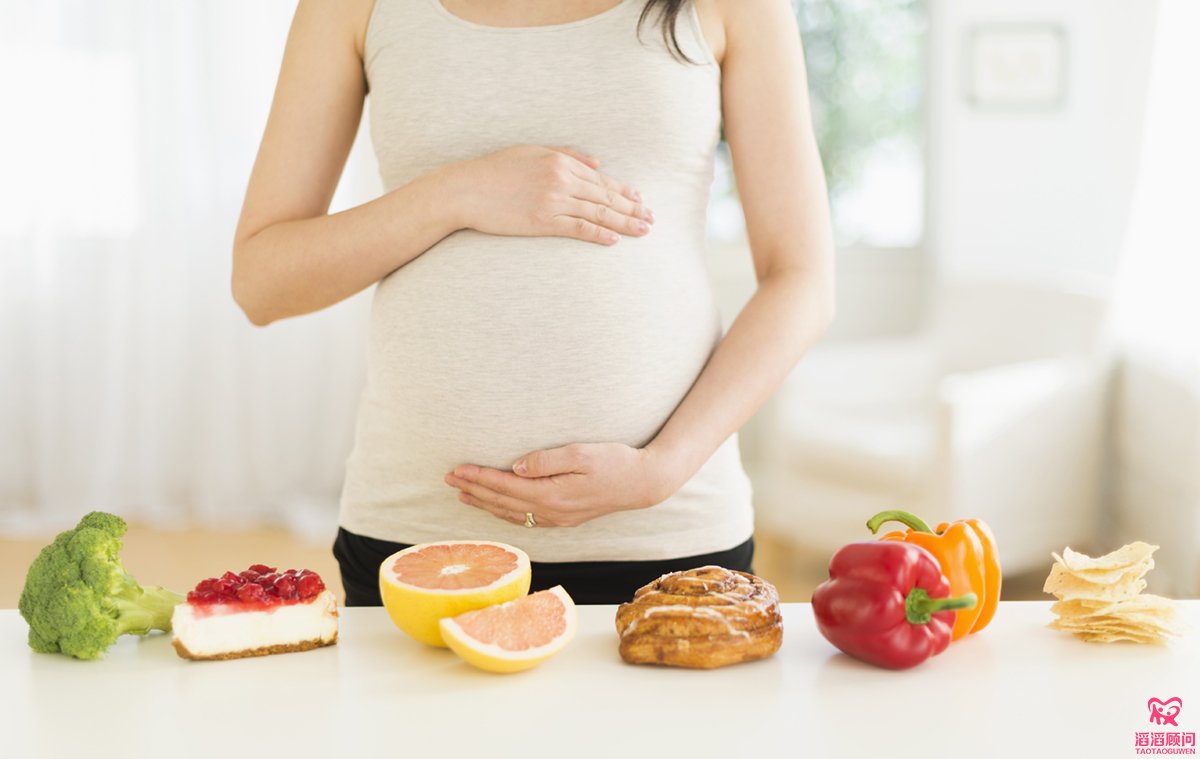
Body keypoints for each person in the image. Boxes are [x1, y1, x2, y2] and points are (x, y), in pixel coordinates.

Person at [232, 0, 834, 606]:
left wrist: (661, 471)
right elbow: (262, 282)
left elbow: (800, 277)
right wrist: (454, 193)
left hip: (668, 536)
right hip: (419, 539)